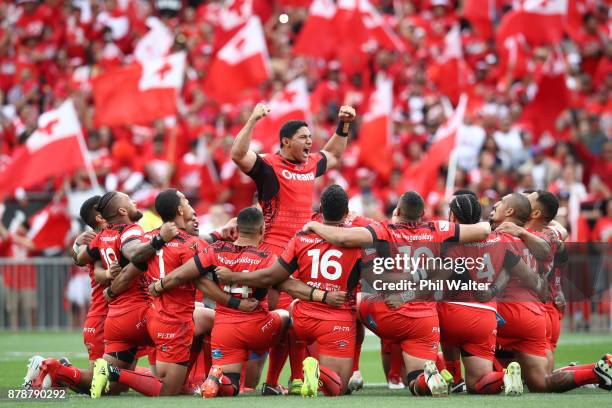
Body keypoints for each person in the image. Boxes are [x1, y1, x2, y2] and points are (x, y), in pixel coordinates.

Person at [303, 191, 491, 396]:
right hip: (424, 321)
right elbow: (484, 230)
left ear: (398, 210)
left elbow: (344, 238)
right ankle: (426, 376)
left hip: (386, 312)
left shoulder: (383, 229)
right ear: (422, 214)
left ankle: (355, 371)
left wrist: (315, 226)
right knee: (416, 381)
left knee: (353, 301)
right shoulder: (438, 229)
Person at [230, 102, 357, 393]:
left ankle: (289, 379)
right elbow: (237, 154)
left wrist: (344, 124)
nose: (310, 142)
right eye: (303, 137)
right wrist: (252, 119)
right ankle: (278, 380)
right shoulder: (269, 166)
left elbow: (335, 153)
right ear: (285, 142)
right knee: (287, 318)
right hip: (274, 252)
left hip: (303, 252)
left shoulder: (310, 164)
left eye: (311, 137)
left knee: (297, 319)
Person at [216, 185, 361, 396]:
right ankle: (316, 375)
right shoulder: (359, 237)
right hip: (337, 319)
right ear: (347, 213)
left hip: (303, 318)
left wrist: (235, 276)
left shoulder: (300, 238)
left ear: (320, 209)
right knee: (338, 388)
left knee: (289, 313)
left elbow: (274, 278)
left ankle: (292, 378)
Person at [89, 189, 208, 397]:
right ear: (180, 210)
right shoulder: (190, 244)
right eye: (188, 203)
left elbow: (128, 272)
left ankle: (60, 370)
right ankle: (219, 379)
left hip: (149, 315)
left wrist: (110, 290)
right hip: (174, 318)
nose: (192, 209)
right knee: (167, 390)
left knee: (131, 387)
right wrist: (233, 303)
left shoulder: (147, 239)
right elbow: (202, 280)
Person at [488, 193, 612, 392]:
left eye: (530, 198)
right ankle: (596, 371)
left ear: (535, 212)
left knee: (464, 325)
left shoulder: (505, 235)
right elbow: (559, 245)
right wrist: (557, 286)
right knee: (541, 382)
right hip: (537, 315)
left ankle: (464, 377)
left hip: (512, 310)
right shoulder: (550, 233)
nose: (525, 199)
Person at [437, 193, 542, 396]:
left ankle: (449, 374)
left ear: (452, 216)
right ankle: (504, 376)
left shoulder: (450, 242)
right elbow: (514, 267)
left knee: (418, 337)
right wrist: (493, 290)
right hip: (485, 316)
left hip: (451, 312)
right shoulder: (499, 238)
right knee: (479, 384)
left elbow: (439, 278)